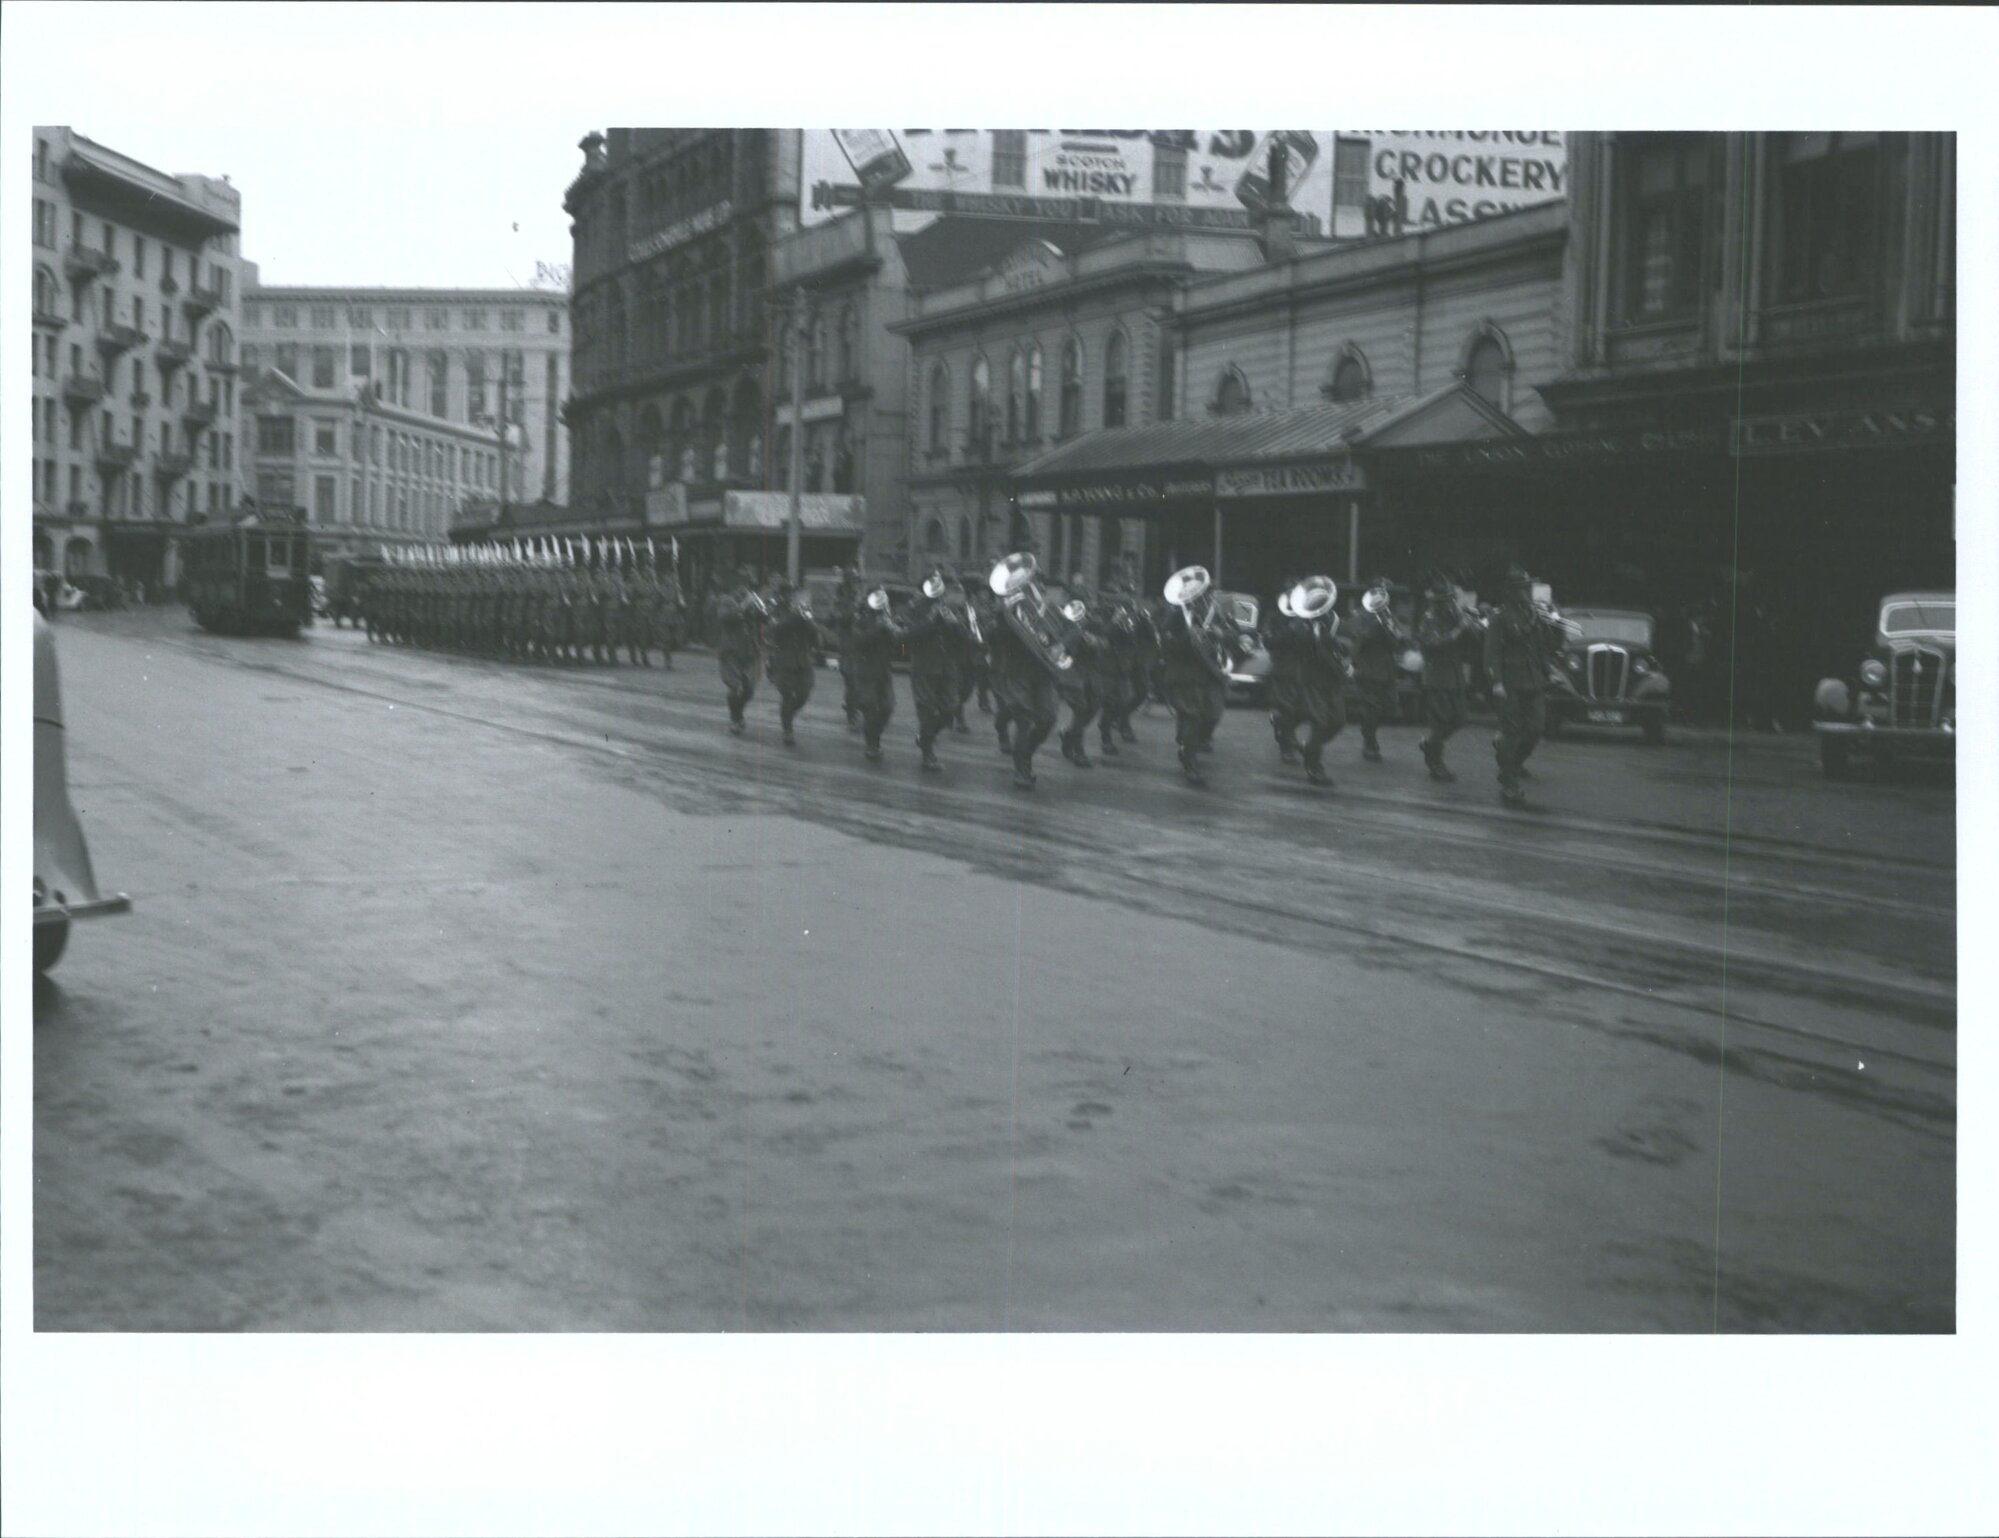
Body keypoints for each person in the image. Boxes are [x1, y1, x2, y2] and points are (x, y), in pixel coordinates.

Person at [1484, 566, 1566, 805]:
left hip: (1533, 680)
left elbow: (1542, 648)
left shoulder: (1533, 613)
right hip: (1509, 681)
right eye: (1522, 588)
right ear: (1511, 591)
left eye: (1527, 588)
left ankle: (1512, 766)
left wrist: (1556, 621)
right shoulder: (1500, 617)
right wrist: (1496, 682)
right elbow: (1491, 653)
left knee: (1535, 728)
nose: (1527, 592)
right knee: (1511, 732)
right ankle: (1510, 783)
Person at [1267, 577, 1349, 787]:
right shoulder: (1298, 622)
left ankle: (1304, 744)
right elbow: (1283, 643)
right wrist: (1301, 629)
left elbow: (1340, 643)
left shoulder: (1332, 619)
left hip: (1332, 678)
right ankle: (1314, 766)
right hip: (1311, 679)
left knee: (1338, 722)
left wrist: (1341, 649)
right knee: (1319, 722)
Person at [986, 570, 1062, 790]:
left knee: (1048, 719)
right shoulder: (1009, 610)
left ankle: (1026, 753)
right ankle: (1021, 768)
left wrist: (1054, 643)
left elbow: (1056, 637)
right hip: (1018, 672)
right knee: (1024, 722)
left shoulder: (1047, 610)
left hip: (1042, 673)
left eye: (1037, 582)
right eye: (1032, 582)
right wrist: (1004, 619)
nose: (1037, 587)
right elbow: (993, 638)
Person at [1158, 574, 1229, 787]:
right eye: (1204, 593)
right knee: (1192, 718)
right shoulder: (1177, 614)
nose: (1208, 597)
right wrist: (1186, 639)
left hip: (1211, 673)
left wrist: (1220, 634)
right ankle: (1191, 764)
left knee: (1212, 715)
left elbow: (1231, 635)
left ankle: (1188, 745)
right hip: (1186, 674)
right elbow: (1165, 643)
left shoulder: (1214, 613)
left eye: (1209, 593)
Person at [1416, 575, 1477, 782]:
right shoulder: (1429, 618)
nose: (1450, 604)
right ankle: (1435, 763)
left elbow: (1473, 641)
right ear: (1437, 602)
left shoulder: (1453, 616)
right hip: (1437, 677)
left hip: (1455, 675)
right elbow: (1432, 643)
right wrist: (1459, 629)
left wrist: (1470, 625)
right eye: (1446, 600)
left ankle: (1430, 744)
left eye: (1452, 599)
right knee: (1440, 722)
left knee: (1460, 719)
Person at [903, 568, 961, 773]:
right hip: (924, 666)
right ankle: (928, 754)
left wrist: (956, 624)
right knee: (927, 712)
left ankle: (925, 738)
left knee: (950, 709)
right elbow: (908, 636)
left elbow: (961, 636)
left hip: (947, 666)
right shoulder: (915, 608)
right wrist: (931, 617)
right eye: (935, 585)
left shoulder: (948, 607)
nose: (940, 590)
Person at [1348, 575, 1401, 762]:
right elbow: (1359, 639)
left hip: (1386, 669)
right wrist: (1375, 624)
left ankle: (1369, 734)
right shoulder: (1361, 614)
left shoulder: (1388, 615)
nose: (1383, 596)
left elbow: (1396, 643)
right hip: (1368, 668)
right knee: (1372, 708)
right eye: (1379, 592)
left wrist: (1390, 629)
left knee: (1389, 706)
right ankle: (1369, 742)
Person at [765, 579, 822, 746]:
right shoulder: (774, 608)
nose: (789, 596)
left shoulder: (803, 609)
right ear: (781, 594)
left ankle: (787, 716)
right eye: (786, 593)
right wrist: (792, 617)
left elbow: (816, 636)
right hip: (784, 660)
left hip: (803, 660)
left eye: (791, 593)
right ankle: (787, 730)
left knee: (804, 694)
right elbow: (772, 630)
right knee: (788, 696)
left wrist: (808, 620)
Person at [1055, 587, 1107, 770]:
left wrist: (1095, 641)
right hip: (1073, 673)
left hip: (1091, 674)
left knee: (1092, 709)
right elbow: (1061, 647)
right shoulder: (1065, 620)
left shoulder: (1094, 620)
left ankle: (1069, 735)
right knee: (1081, 710)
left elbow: (1105, 642)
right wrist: (1076, 636)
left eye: (1086, 602)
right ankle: (1079, 751)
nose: (1087, 605)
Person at [849, 585, 902, 762]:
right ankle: (872, 745)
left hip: (884, 672)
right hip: (866, 672)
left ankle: (875, 738)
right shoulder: (860, 619)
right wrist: (879, 628)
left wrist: (897, 632)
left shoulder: (888, 621)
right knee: (870, 710)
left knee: (888, 708)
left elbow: (902, 649)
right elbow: (858, 643)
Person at [714, 566, 766, 734]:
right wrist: (744, 605)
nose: (745, 587)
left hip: (749, 650)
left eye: (748, 583)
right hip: (732, 650)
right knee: (735, 688)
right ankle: (735, 719)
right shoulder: (726, 600)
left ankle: (738, 713)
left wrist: (760, 609)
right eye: (742, 583)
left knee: (749, 689)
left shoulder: (751, 598)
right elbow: (724, 617)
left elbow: (763, 619)